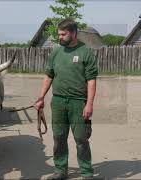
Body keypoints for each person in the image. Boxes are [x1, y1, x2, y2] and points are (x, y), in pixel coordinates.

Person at [35, 19, 98, 180]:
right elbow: (49, 75)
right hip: (58, 102)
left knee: (81, 139)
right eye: (59, 34)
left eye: (63, 34)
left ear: (74, 33)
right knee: (59, 137)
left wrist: (89, 104)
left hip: (79, 102)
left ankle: (86, 172)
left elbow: (91, 80)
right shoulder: (56, 51)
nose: (60, 37)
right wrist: (41, 97)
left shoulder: (85, 52)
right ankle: (60, 170)